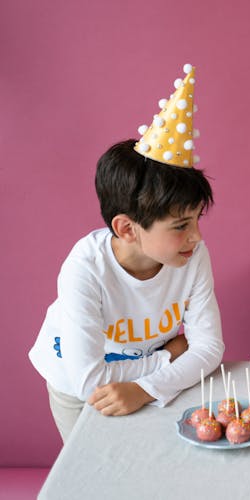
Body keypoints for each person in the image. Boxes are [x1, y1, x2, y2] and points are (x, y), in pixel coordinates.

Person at [29, 64, 224, 442]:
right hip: (79, 393)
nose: (197, 236)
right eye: (181, 225)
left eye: (197, 219)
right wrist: (169, 356)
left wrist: (147, 388)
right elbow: (90, 380)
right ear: (126, 229)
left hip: (149, 385)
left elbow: (211, 348)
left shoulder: (192, 256)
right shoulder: (85, 268)